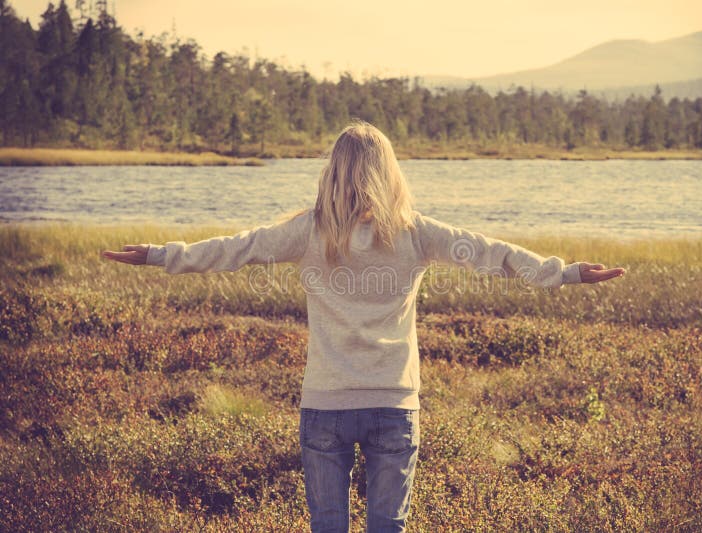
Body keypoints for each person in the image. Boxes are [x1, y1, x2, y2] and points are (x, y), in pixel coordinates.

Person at [102, 121, 625, 532]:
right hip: (394, 405)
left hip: (326, 406)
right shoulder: (415, 233)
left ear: (333, 170)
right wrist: (566, 274)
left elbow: (233, 250)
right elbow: (493, 254)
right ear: (390, 171)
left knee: (327, 529)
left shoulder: (307, 230)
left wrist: (158, 255)